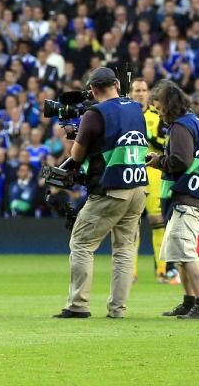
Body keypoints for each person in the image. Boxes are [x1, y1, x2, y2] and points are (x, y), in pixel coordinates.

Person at [52, 67, 148, 320]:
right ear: (117, 84)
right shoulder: (136, 108)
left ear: (93, 90)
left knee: (81, 243)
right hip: (138, 186)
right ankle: (118, 309)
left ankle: (78, 305)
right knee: (125, 249)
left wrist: (76, 136)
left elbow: (76, 156)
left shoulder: (94, 114)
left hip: (110, 188)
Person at [152, 79, 199, 319]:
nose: (159, 113)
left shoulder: (180, 126)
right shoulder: (194, 121)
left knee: (186, 252)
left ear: (169, 104)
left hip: (189, 196)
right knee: (179, 253)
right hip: (198, 193)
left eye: (159, 107)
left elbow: (181, 160)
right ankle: (189, 302)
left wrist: (158, 161)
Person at [127, 77, 166, 282]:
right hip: (131, 170)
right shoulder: (125, 115)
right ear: (131, 93)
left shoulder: (157, 115)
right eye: (137, 90)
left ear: (148, 93)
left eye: (143, 90)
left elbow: (165, 144)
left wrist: (149, 135)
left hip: (153, 171)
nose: (141, 94)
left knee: (157, 220)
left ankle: (162, 270)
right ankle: (130, 272)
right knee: (131, 223)